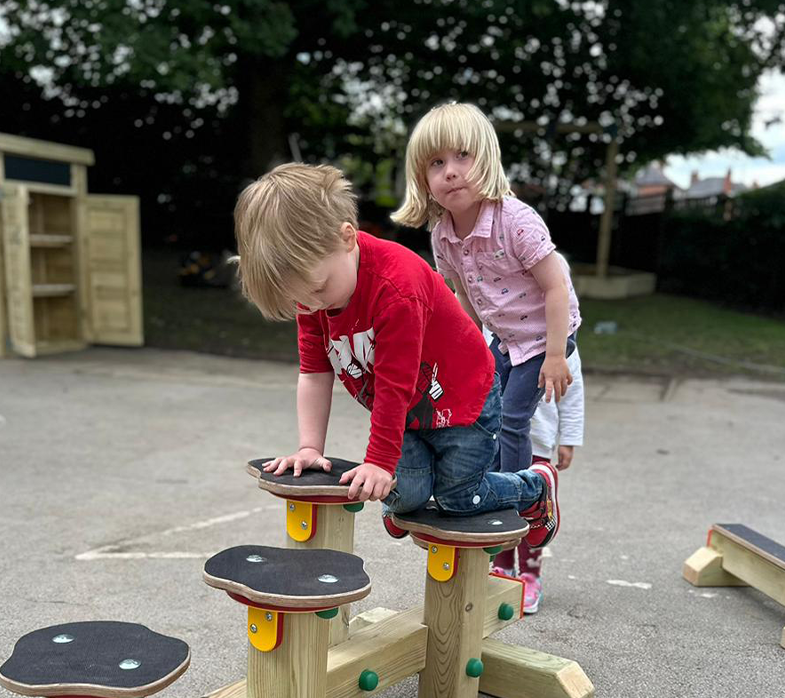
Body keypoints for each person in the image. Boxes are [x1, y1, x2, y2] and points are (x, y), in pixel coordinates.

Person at [230, 162, 559, 546]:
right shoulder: (312, 295)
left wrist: (380, 463)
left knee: (459, 499)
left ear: (347, 238)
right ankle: (410, 494)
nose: (312, 305)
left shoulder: (396, 288)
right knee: (407, 497)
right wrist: (309, 447)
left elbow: (394, 385)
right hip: (408, 412)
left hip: (464, 403)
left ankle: (534, 487)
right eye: (300, 299)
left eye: (318, 290)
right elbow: (314, 371)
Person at [391, 100, 582, 606]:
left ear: (487, 159)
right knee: (477, 411)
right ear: (423, 177)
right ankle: (472, 487)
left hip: (546, 337)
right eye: (436, 163)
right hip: (503, 338)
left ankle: (522, 499)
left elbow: (557, 288)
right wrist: (467, 354)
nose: (451, 171)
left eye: (463, 157)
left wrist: (558, 356)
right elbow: (462, 299)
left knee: (514, 421)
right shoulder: (442, 235)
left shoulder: (515, 221)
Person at [491, 339, 585, 612]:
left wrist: (569, 438)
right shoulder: (494, 324)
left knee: (533, 511)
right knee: (500, 506)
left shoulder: (560, 341)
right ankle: (502, 566)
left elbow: (573, 389)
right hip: (495, 440)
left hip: (537, 440)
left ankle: (530, 574)